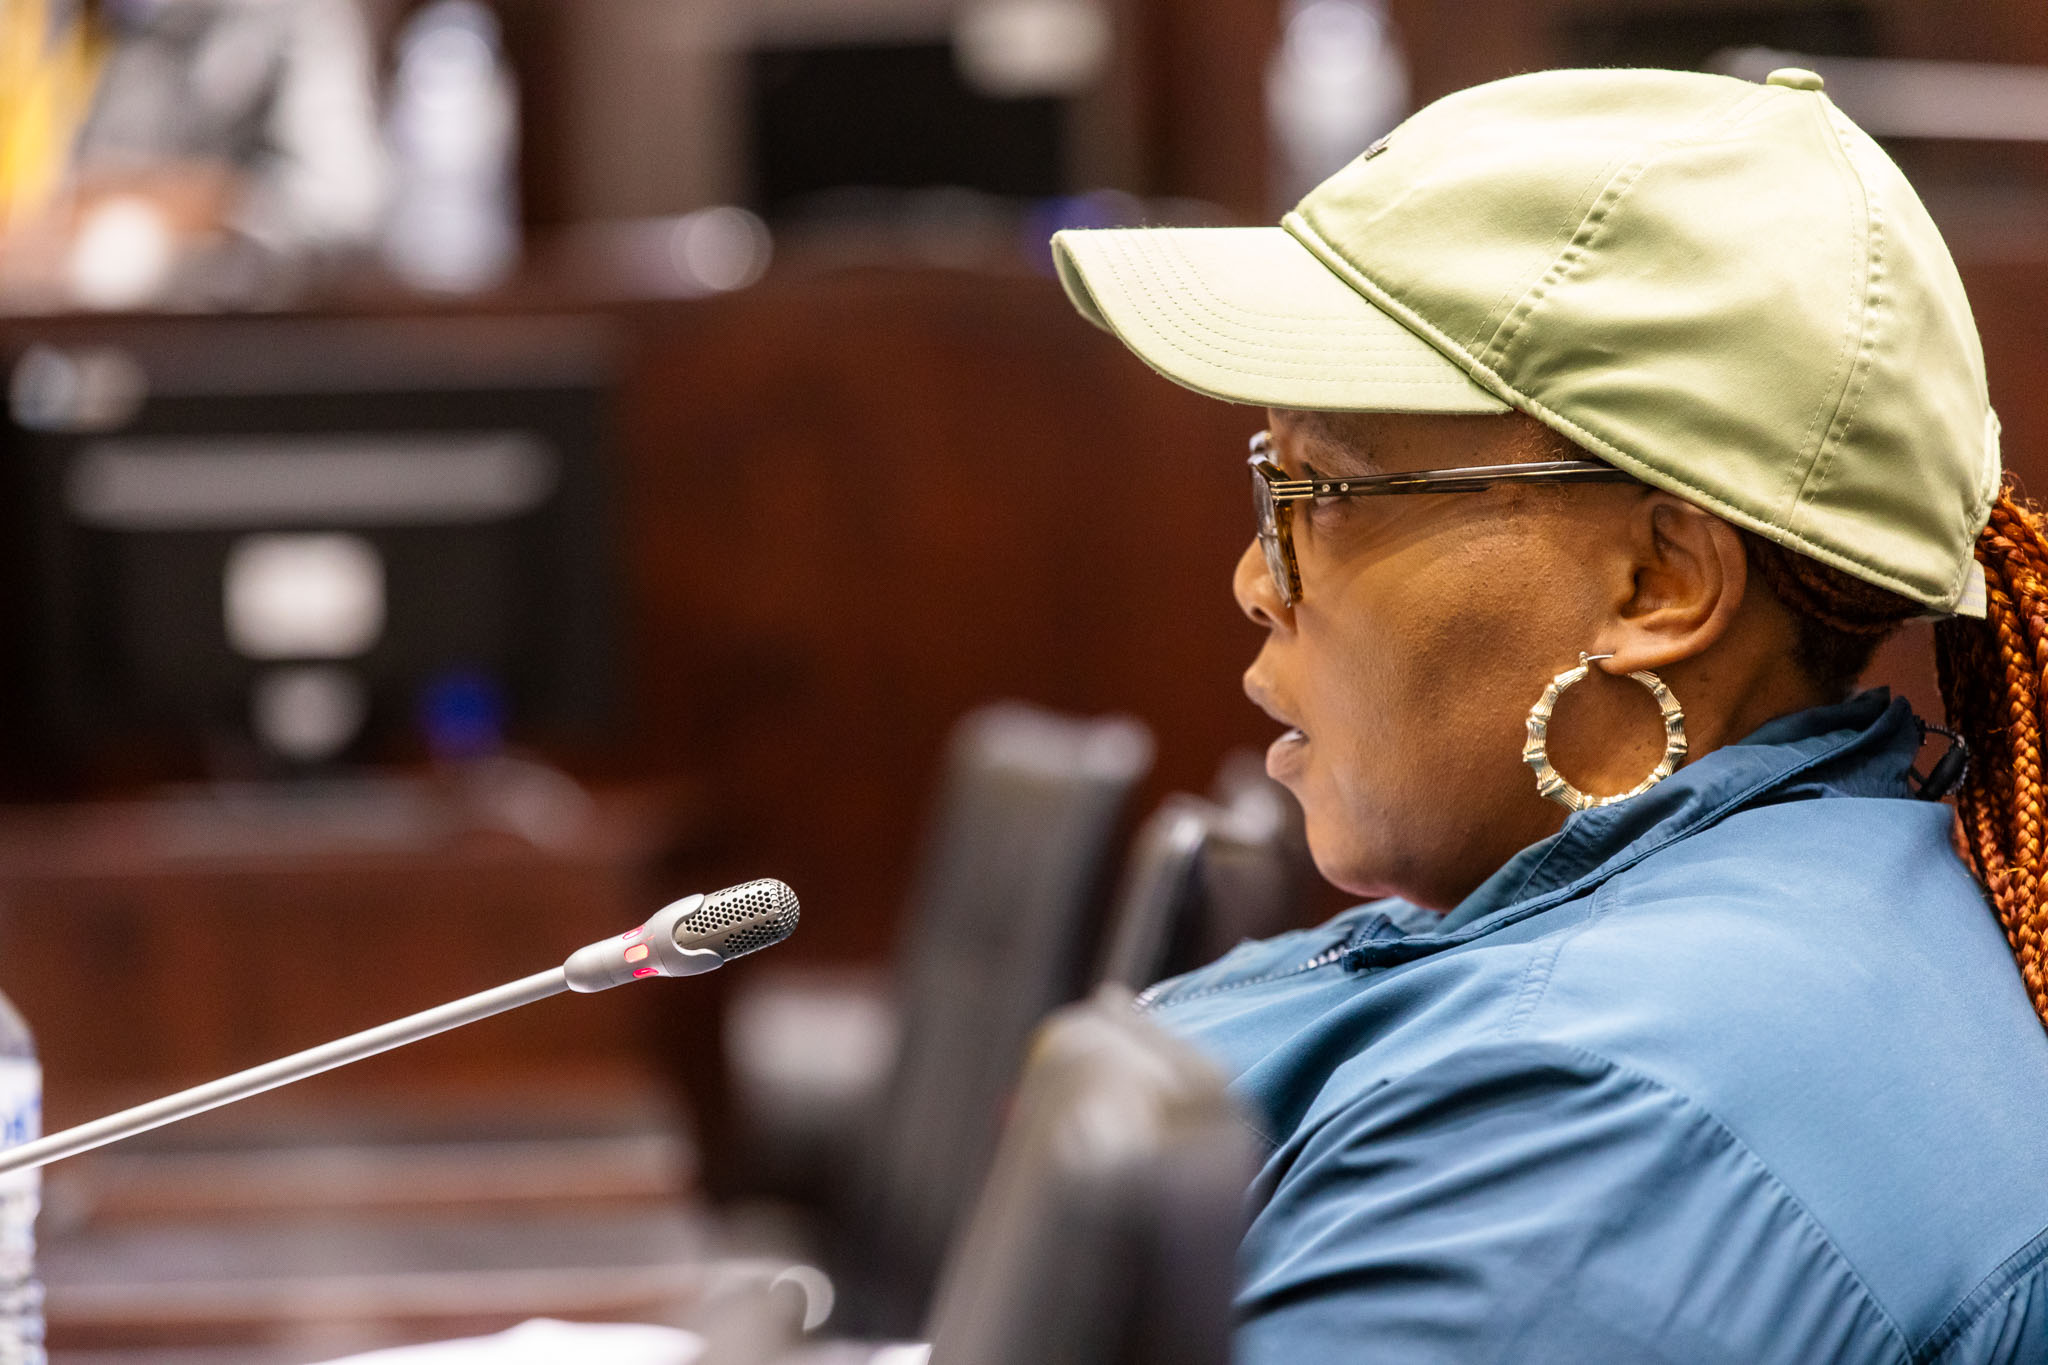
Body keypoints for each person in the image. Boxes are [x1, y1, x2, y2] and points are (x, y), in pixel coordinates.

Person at [1050, 66, 2048, 1361]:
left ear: (1658, 585)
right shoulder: (1746, 905)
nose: (1255, 579)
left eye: (1326, 492)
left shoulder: (1599, 1124)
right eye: (1269, 481)